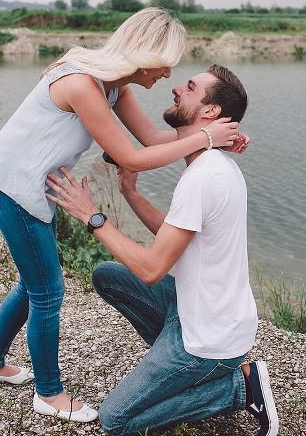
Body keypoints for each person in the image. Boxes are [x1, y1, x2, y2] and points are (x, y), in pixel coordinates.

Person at [0, 7, 249, 423]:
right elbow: (131, 157)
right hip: (12, 190)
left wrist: (213, 140)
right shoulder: (82, 82)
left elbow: (152, 139)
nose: (168, 74)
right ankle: (49, 393)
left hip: (29, 189)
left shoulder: (114, 86)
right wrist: (208, 134)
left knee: (35, 284)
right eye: (166, 61)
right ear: (144, 53)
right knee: (48, 291)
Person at [46, 64, 278, 436]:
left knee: (115, 420)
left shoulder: (203, 178)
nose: (176, 89)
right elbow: (178, 237)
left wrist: (92, 217)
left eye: (189, 87)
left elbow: (153, 268)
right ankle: (180, 371)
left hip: (208, 339)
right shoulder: (213, 164)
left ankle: (239, 387)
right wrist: (131, 194)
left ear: (211, 112)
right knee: (107, 276)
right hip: (205, 314)